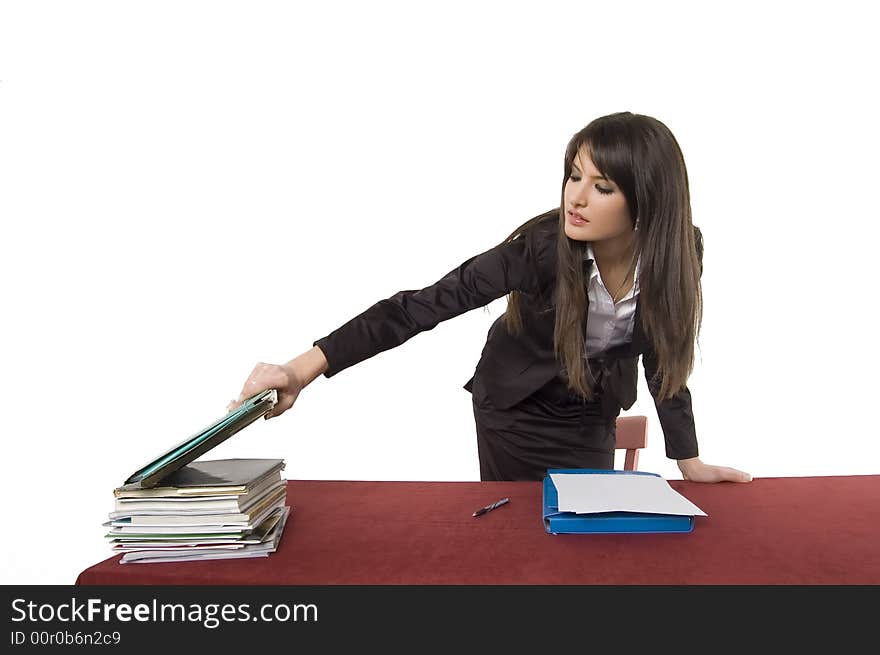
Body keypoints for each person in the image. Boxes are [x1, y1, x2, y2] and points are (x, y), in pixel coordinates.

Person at [227, 111, 751, 484]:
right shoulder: (541, 249)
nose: (576, 196)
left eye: (603, 186)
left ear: (649, 200)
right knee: (519, 542)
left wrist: (688, 458)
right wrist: (300, 370)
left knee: (588, 540)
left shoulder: (679, 254)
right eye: (573, 176)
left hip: (590, 415)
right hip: (515, 411)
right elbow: (420, 306)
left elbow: (666, 352)